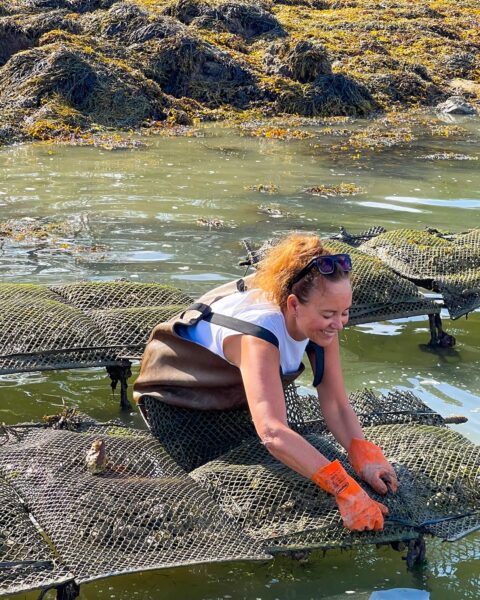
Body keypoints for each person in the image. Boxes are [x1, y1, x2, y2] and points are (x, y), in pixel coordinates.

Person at [134, 233, 398, 531]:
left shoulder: (325, 325)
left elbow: (335, 403)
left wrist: (363, 454)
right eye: (329, 314)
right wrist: (344, 489)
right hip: (176, 399)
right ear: (294, 304)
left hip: (231, 391)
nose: (338, 324)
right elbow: (272, 433)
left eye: (345, 312)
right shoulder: (258, 336)